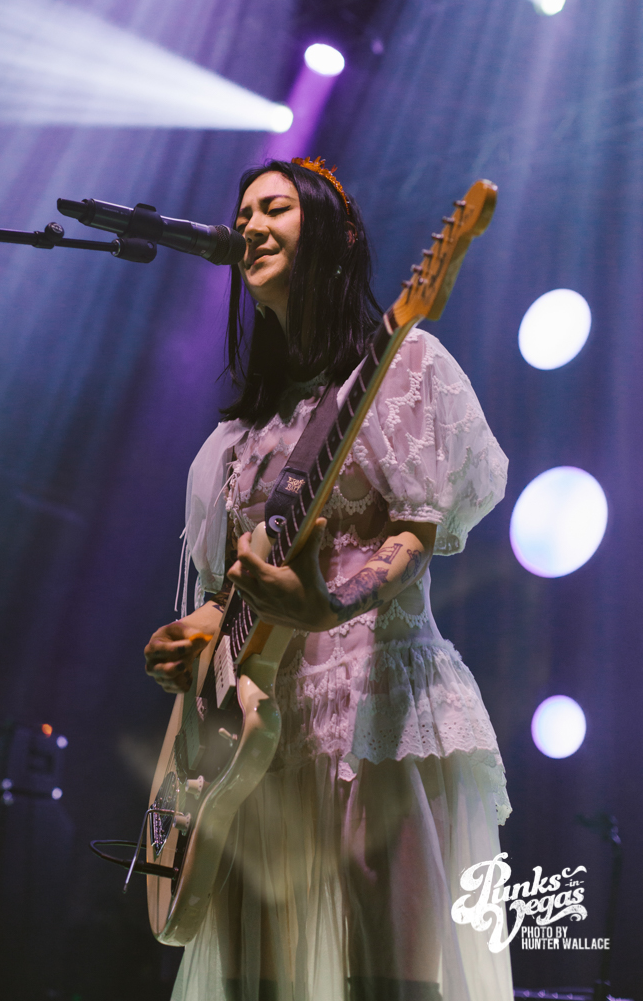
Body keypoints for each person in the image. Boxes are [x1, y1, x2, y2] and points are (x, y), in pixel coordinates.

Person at [144, 158, 514, 1001]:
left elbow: (416, 535)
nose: (249, 225)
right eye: (243, 213)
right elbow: (231, 592)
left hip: (373, 707)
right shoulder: (238, 440)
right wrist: (195, 635)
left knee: (390, 978)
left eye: (273, 207)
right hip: (255, 737)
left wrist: (329, 602)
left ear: (339, 235)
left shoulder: (403, 368)